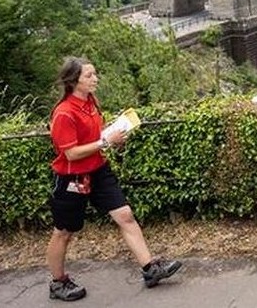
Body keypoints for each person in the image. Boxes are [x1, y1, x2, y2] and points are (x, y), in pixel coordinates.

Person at [46, 57, 182, 301]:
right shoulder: (64, 113)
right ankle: (58, 282)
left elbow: (96, 136)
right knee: (63, 232)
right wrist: (105, 141)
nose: (95, 79)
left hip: (98, 170)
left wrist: (113, 136)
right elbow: (70, 153)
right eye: (89, 75)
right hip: (71, 178)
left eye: (94, 74)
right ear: (74, 80)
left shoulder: (91, 102)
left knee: (125, 215)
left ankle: (149, 268)